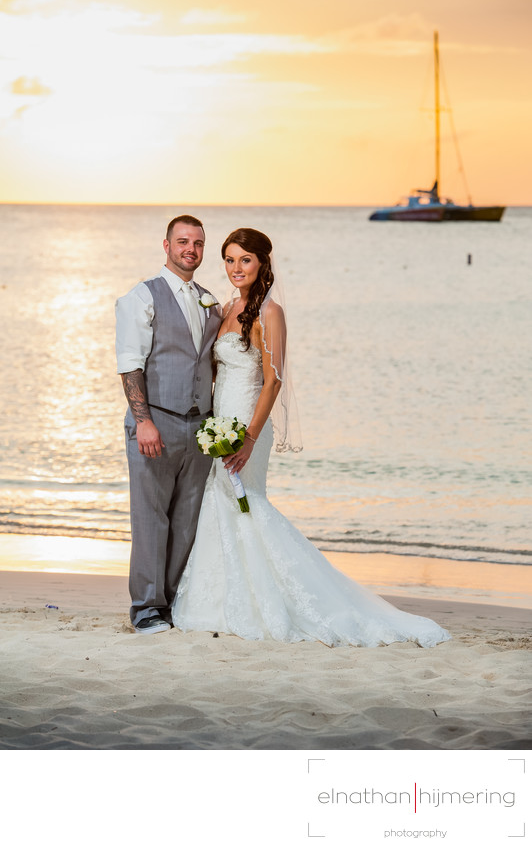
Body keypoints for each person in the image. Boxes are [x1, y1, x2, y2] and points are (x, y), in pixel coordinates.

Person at [172, 228, 451, 648]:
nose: (235, 269)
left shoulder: (271, 312)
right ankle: (222, 601)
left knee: (246, 500)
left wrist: (249, 437)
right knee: (222, 500)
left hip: (249, 422)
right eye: (229, 260)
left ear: (262, 263)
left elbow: (273, 382)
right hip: (221, 422)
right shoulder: (227, 307)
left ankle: (280, 599)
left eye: (244, 260)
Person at [115, 214, 221, 634]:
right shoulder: (141, 296)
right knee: (150, 518)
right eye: (182, 241)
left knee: (186, 520)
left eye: (197, 242)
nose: (190, 249)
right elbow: (129, 365)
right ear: (166, 245)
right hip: (156, 422)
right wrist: (144, 421)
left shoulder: (208, 299)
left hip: (200, 431)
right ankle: (144, 610)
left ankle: (172, 604)